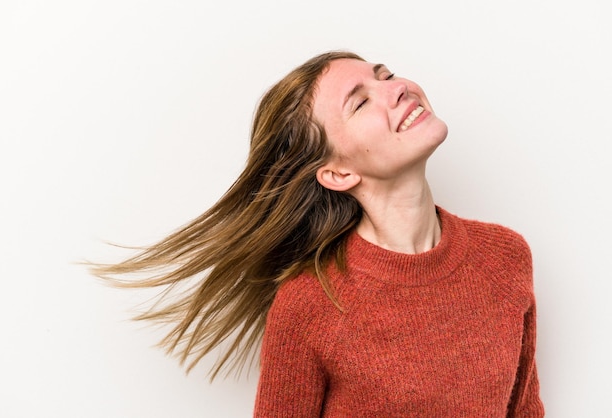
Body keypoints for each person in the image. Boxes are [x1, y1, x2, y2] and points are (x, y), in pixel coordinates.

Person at [92, 51, 544, 416]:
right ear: (337, 173)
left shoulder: (505, 256)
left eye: (386, 75)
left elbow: (525, 410)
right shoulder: (310, 303)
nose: (397, 87)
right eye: (361, 101)